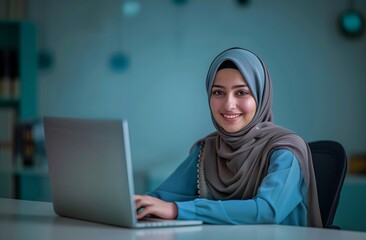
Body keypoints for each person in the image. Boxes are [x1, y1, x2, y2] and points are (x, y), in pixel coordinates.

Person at [134, 47, 323, 227]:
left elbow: (268, 210)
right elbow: (162, 197)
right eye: (218, 92)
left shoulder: (285, 150)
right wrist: (135, 205)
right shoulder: (208, 149)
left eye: (242, 92)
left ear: (261, 96)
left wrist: (177, 210)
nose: (228, 105)